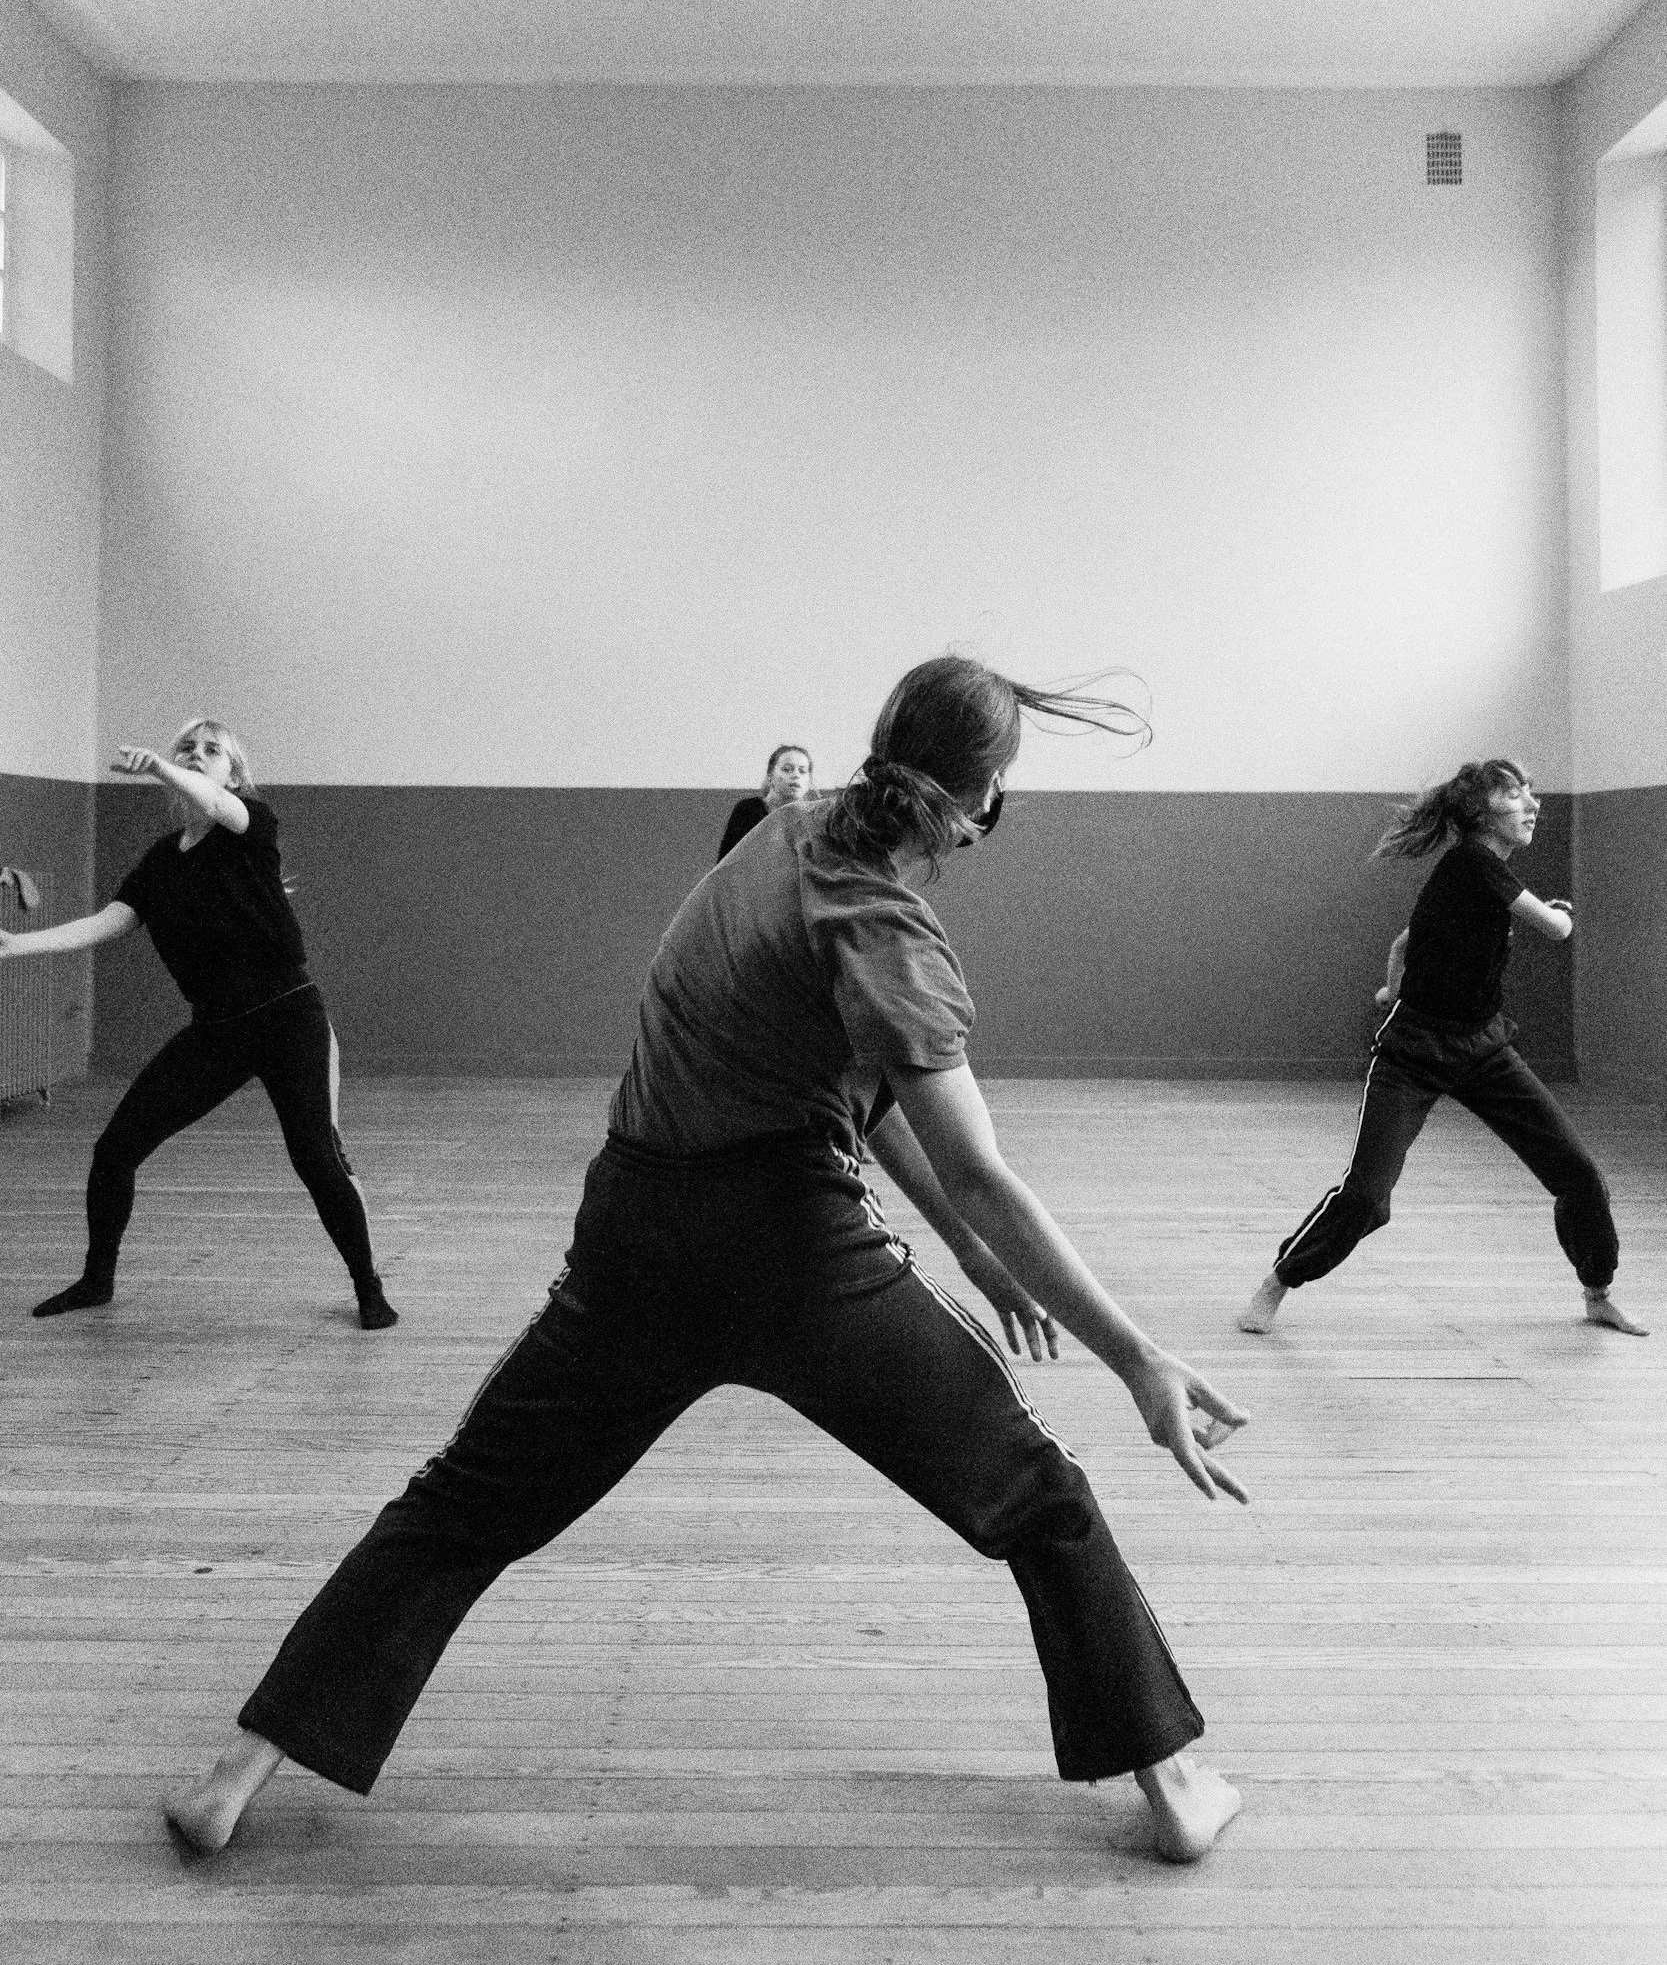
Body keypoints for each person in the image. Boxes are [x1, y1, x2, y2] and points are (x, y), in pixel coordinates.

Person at [164, 655, 1249, 1867]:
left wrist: (971, 1258)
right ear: (980, 800)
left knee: (460, 1505)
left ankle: (233, 1774)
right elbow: (984, 1167)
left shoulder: (779, 837)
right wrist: (1137, 1359)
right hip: (793, 1253)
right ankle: (1173, 1788)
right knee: (1038, 1497)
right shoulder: (887, 924)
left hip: (632, 1231)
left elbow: (861, 1089)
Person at [1, 719, 395, 1331]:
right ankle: (96, 1280)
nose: (196, 755)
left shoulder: (250, 823)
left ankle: (369, 1289)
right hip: (218, 1030)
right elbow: (107, 924)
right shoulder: (160, 861)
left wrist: (161, 764)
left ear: (233, 775)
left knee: (315, 1156)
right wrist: (11, 945)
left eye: (213, 751)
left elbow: (215, 804)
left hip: (289, 1015)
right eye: (189, 746)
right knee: (115, 1149)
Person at [1239, 758, 1644, 1338]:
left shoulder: (1471, 874)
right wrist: (1559, 913)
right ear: (1481, 813)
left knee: (1577, 1174)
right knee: (1367, 1197)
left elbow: (1405, 941)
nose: (1533, 805)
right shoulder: (1476, 862)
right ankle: (1276, 1283)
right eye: (1516, 795)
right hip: (1412, 1056)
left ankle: (1598, 1293)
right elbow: (1555, 931)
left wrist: (1392, 987)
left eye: (1533, 793)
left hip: (1483, 1049)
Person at [717, 742, 814, 859]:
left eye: (802, 771)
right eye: (787, 769)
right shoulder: (748, 809)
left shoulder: (814, 818)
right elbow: (728, 862)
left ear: (809, 782)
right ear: (770, 776)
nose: (795, 775)